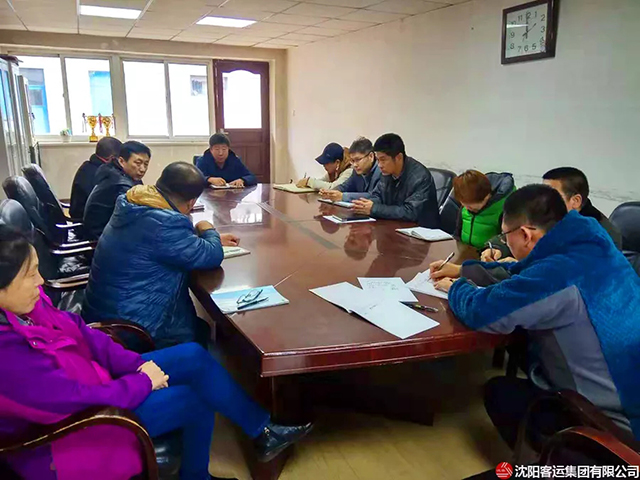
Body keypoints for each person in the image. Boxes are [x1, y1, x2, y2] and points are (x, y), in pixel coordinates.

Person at [0, 225, 313, 480]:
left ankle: (263, 431)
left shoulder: (27, 305)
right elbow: (75, 400)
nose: (41, 281)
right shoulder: (7, 355)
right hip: (75, 430)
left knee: (192, 355)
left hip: (100, 384)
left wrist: (135, 365)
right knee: (194, 400)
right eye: (30, 274)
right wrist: (142, 382)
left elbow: (84, 334)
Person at [430, 184, 640, 450]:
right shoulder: (591, 239)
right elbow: (524, 271)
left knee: (499, 393)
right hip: (628, 378)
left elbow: (481, 312)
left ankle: (553, 460)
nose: (505, 242)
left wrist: (456, 288)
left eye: (505, 236)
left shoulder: (557, 274)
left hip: (615, 422)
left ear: (525, 234)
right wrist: (464, 270)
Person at [82, 162, 240, 348]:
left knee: (200, 327)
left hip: (102, 315)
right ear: (191, 202)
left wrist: (202, 238)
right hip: (132, 329)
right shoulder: (166, 224)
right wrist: (206, 228)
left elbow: (158, 241)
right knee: (201, 332)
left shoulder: (132, 202)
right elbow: (212, 255)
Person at [481, 167, 621, 261]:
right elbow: (516, 231)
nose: (545, 198)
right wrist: (496, 248)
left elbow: (567, 276)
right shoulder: (549, 213)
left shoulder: (602, 235)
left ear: (575, 201)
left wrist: (520, 265)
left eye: (553, 194)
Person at [352, 133, 440, 228]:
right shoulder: (387, 172)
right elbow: (378, 196)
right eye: (378, 160)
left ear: (398, 157)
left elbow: (410, 212)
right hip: (394, 225)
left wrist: (374, 208)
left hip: (419, 230)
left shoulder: (420, 177)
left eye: (383, 160)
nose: (379, 165)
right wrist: (364, 206)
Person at [83, 141, 151, 240]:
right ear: (122, 161)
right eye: (138, 163)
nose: (142, 169)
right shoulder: (121, 185)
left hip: (101, 231)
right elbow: (137, 217)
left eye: (146, 164)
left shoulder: (111, 170)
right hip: (101, 238)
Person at [452, 170, 515, 249]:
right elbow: (457, 234)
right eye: (464, 205)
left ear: (487, 197)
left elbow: (506, 242)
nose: (467, 208)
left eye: (471, 207)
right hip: (465, 251)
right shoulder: (465, 206)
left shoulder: (503, 211)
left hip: (490, 253)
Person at [69, 137, 122, 220]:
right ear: (112, 158)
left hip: (80, 215)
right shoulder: (102, 174)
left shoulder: (87, 167)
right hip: (88, 221)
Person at [320, 137, 382, 202]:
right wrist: (331, 192)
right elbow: (345, 186)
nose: (355, 165)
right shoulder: (356, 171)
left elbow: (374, 196)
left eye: (358, 160)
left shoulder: (381, 171)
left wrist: (343, 196)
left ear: (371, 156)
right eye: (352, 161)